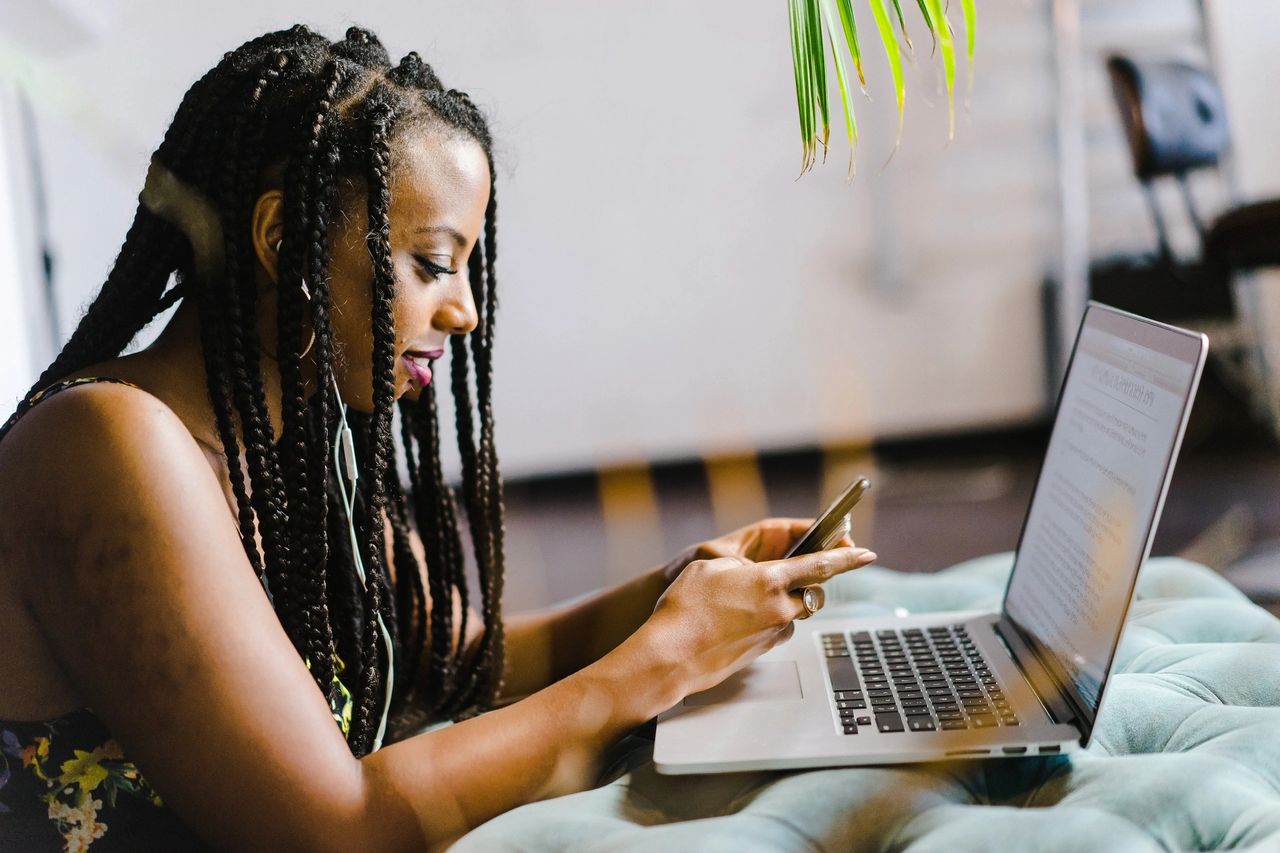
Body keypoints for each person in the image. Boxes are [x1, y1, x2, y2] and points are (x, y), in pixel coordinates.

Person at [0, 25, 876, 851]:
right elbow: (332, 831)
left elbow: (455, 660)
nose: (464, 310)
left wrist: (678, 587)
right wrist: (658, 663)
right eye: (430, 263)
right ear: (282, 239)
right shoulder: (107, 444)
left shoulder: (290, 433)